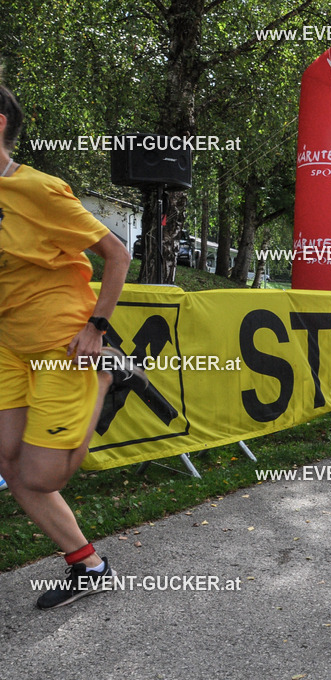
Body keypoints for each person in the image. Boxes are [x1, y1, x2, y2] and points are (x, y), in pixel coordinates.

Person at [0, 84, 135, 608]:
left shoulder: (38, 189)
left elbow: (116, 254)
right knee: (9, 463)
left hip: (62, 343)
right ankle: (89, 566)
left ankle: (106, 378)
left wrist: (97, 327)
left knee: (41, 475)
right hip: (8, 347)